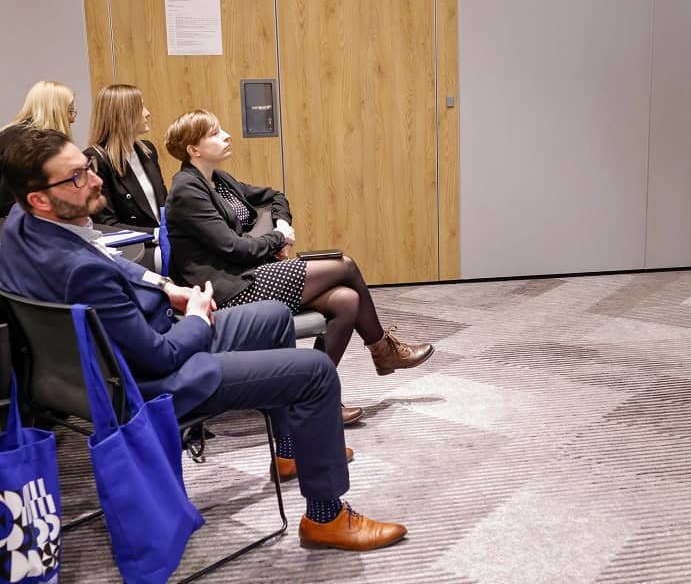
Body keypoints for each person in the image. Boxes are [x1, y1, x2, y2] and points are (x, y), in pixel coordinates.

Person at [0, 124, 407, 551]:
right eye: (77, 176)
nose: (96, 179)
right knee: (315, 371)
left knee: (273, 318)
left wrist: (164, 286)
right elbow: (159, 356)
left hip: (105, 365)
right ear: (40, 198)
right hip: (153, 380)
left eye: (87, 166)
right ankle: (326, 517)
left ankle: (290, 452)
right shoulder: (80, 271)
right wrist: (195, 317)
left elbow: (105, 257)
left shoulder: (19, 227)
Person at [163, 110, 434, 410]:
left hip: (248, 274)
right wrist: (279, 239)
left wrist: (281, 224)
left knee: (346, 301)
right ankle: (382, 349)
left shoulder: (219, 180)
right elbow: (234, 248)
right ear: (194, 149)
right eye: (215, 133)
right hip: (227, 291)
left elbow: (274, 196)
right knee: (345, 265)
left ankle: (315, 399)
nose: (226, 136)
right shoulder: (187, 189)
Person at [85, 84, 167, 270]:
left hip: (164, 241)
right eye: (140, 107)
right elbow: (106, 225)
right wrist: (157, 234)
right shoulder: (96, 160)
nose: (147, 113)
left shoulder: (147, 151)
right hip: (135, 250)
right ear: (123, 115)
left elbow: (164, 203)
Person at [2, 81, 78, 217]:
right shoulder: (34, 145)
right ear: (55, 111)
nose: (72, 119)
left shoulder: (9, 135)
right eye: (70, 111)